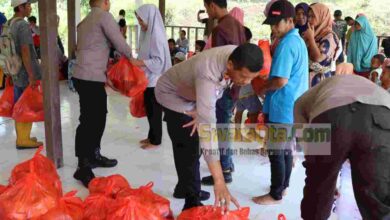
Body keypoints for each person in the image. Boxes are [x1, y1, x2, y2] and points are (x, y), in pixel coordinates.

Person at [155, 44, 264, 211]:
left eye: (251, 78)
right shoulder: (208, 73)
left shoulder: (237, 55)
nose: (246, 82)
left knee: (195, 147)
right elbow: (209, 132)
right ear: (230, 65)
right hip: (172, 95)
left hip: (193, 95)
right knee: (189, 146)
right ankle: (191, 204)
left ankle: (186, 188)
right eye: (243, 77)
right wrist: (219, 180)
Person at [295, 74, 390, 220]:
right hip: (382, 115)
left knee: (318, 184)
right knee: (378, 197)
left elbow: (309, 151)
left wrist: (326, 177)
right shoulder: (371, 86)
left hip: (330, 115)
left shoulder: (301, 103)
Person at [253, 0, 309, 205]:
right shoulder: (298, 41)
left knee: (277, 152)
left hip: (283, 106)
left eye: (277, 23)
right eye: (271, 24)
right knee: (286, 150)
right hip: (293, 106)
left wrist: (262, 87)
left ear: (289, 20)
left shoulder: (286, 44)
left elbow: (280, 80)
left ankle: (275, 193)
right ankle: (283, 187)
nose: (273, 28)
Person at [72, 0, 132, 187]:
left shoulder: (84, 22)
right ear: (105, 2)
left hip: (84, 75)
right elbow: (119, 41)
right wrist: (131, 57)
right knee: (90, 119)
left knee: (97, 117)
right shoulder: (104, 17)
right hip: (90, 76)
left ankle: (93, 155)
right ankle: (83, 165)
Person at [201, 0, 246, 186]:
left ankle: (225, 170)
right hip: (236, 85)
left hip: (224, 87)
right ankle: (229, 164)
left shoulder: (220, 29)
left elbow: (220, 65)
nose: (206, 11)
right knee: (225, 126)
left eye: (206, 7)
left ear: (212, 5)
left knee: (221, 128)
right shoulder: (238, 25)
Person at [131, 4, 171, 150]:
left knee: (154, 111)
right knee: (149, 110)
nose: (140, 24)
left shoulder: (156, 36)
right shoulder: (148, 34)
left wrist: (139, 62)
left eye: (141, 20)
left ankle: (156, 141)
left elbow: (159, 61)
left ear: (149, 18)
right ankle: (151, 136)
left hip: (155, 80)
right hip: (148, 79)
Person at [8, 0, 43, 150]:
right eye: (28, 5)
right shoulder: (22, 25)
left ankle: (23, 137)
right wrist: (31, 75)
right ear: (20, 7)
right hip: (24, 72)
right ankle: (23, 140)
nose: (30, 7)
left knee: (19, 104)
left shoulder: (10, 23)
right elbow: (25, 51)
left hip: (14, 70)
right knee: (26, 104)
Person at [303, 3, 339, 87]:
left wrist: (311, 39)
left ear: (321, 16)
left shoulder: (330, 36)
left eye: (313, 16)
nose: (309, 20)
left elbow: (318, 58)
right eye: (309, 16)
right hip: (306, 79)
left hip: (319, 81)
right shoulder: (312, 33)